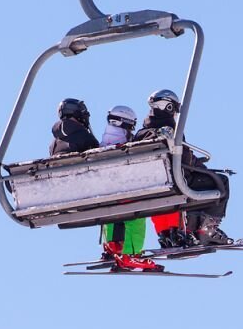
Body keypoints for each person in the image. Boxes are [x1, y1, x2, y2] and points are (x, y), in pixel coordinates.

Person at [136, 88, 232, 247]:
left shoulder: (142, 133)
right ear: (168, 107)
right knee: (221, 182)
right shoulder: (169, 131)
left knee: (202, 182)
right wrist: (201, 167)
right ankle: (206, 230)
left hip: (154, 182)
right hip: (178, 179)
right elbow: (185, 158)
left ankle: (172, 235)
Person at [97, 105, 160, 271]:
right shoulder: (124, 142)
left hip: (105, 193)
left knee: (112, 214)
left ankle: (112, 247)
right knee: (137, 216)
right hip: (126, 189)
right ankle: (131, 255)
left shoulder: (103, 143)